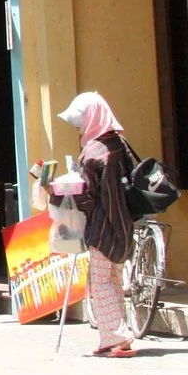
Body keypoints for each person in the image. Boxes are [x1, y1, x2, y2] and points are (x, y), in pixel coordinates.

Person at [57, 91, 140, 358]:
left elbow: (88, 197)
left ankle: (117, 338)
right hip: (124, 222)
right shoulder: (118, 144)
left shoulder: (93, 153)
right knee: (112, 279)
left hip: (103, 226)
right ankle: (114, 336)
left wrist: (67, 191)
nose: (79, 127)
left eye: (80, 122)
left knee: (101, 282)